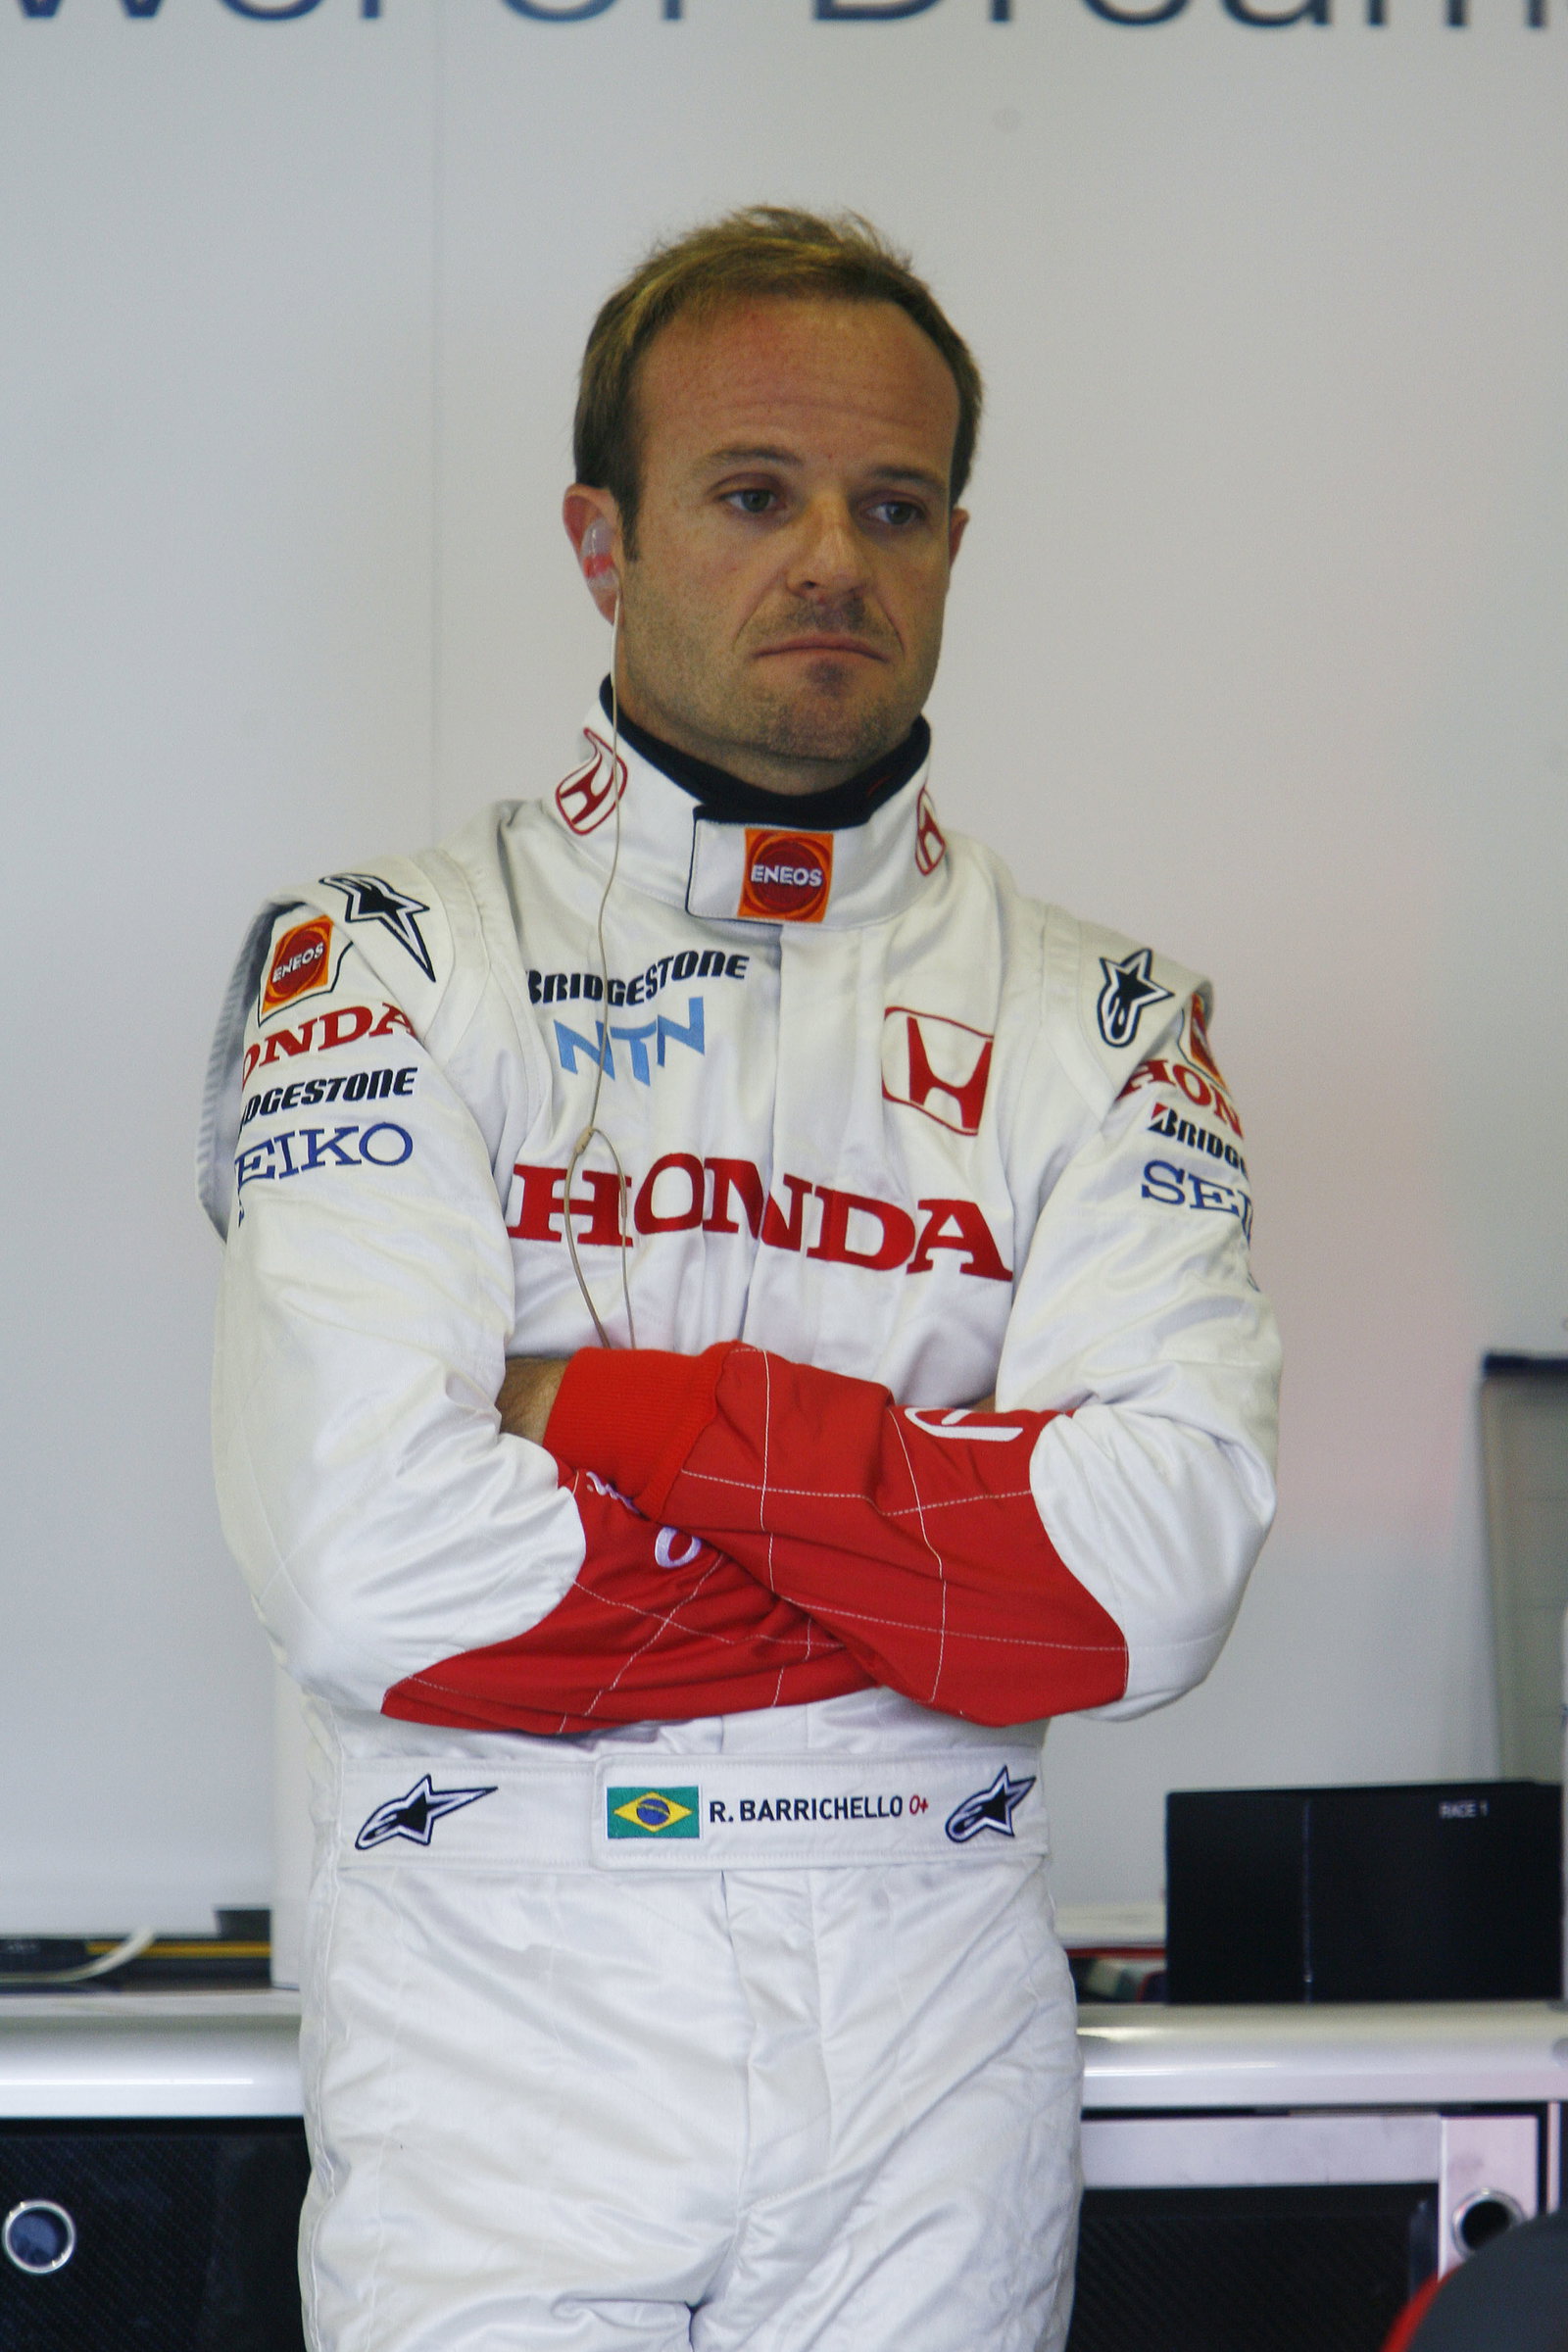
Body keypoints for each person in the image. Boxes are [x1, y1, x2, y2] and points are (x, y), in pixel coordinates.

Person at [200, 207, 1280, 2352]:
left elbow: (1139, 1583)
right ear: (600, 542)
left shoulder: (1106, 1019)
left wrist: (585, 1409)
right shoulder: (390, 956)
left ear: (955, 545)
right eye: (752, 495)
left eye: (892, 508)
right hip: (497, 2016)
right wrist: (928, 1568)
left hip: (934, 2022)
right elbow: (363, 1564)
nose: (830, 564)